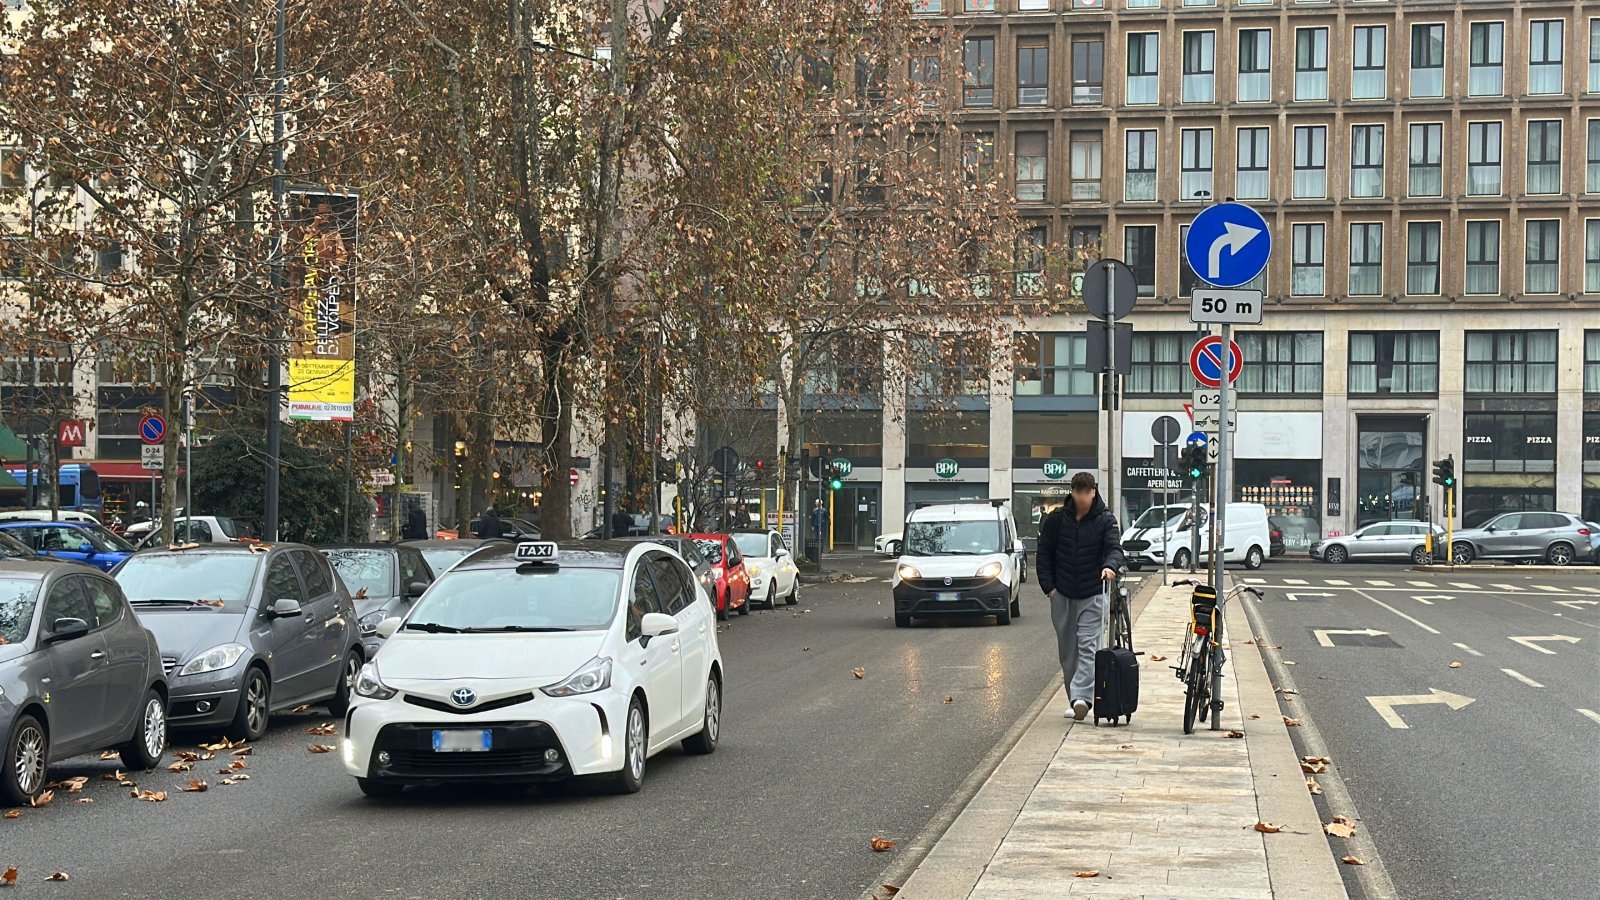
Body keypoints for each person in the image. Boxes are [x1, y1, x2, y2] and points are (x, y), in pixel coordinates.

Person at [1036, 471, 1126, 722]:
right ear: (1072, 493)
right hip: (1062, 593)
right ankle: (1073, 698)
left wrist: (1110, 566)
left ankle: (1082, 698)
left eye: (1087, 492)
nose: (1083, 497)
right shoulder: (1056, 520)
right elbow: (1043, 554)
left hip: (1093, 592)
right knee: (1068, 652)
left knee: (1088, 647)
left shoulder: (1106, 520)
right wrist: (1049, 588)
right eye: (1079, 492)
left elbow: (1114, 549)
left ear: (1093, 492)